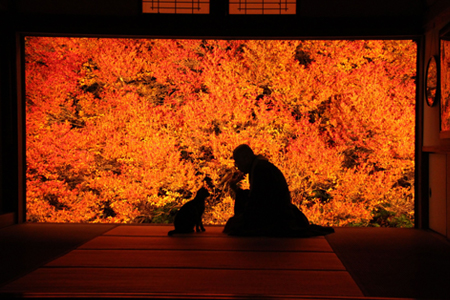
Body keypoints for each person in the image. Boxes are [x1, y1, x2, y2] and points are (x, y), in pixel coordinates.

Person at [223, 144, 333, 237]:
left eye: (237, 162)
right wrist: (236, 189)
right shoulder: (258, 167)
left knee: (235, 226)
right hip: (275, 210)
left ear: (245, 158)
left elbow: (257, 202)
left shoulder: (260, 169)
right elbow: (258, 197)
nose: (237, 167)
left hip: (276, 214)